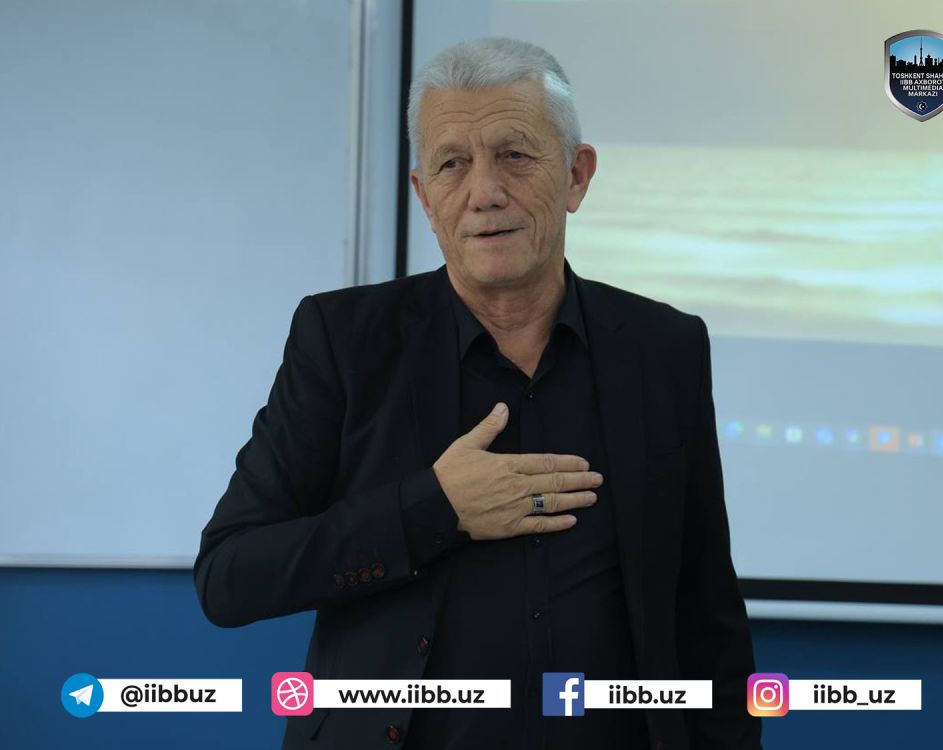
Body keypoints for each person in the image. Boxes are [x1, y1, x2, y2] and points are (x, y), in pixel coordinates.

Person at [194, 36, 761, 750]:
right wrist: (434, 509)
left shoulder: (664, 347)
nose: (485, 192)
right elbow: (231, 576)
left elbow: (706, 611)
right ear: (424, 196)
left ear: (577, 176)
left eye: (516, 155)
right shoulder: (343, 341)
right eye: (452, 163)